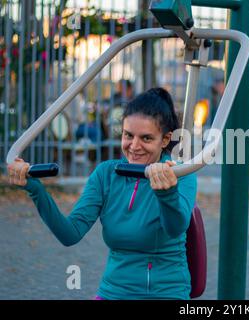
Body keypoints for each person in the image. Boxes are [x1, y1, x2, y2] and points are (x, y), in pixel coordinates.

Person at [7, 88, 197, 300]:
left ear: (165, 139)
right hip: (113, 292)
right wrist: (35, 189)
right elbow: (69, 234)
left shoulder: (180, 173)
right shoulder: (106, 174)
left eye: (146, 138)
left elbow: (175, 228)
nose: (134, 146)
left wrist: (167, 193)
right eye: (128, 135)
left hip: (165, 293)